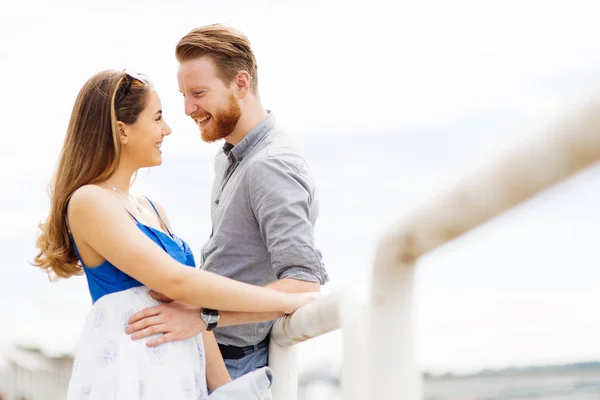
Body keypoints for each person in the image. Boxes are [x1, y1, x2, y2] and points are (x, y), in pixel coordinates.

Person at [33, 69, 317, 400]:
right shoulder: (89, 201)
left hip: (178, 378)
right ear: (122, 131)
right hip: (131, 377)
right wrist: (284, 301)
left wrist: (226, 388)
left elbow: (191, 302)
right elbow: (177, 282)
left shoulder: (153, 210)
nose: (166, 129)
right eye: (157, 119)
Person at [126, 24, 329, 380]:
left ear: (240, 83)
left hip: (237, 364)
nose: (188, 108)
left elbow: (304, 284)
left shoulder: (271, 166)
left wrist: (204, 315)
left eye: (198, 93)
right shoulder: (229, 158)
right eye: (183, 95)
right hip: (205, 353)